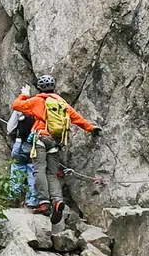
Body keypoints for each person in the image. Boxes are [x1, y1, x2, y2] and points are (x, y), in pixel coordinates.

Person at [11, 75, 103, 223]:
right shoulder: (62, 103)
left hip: (40, 138)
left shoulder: (37, 100)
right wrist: (91, 128)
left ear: (40, 88)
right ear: (54, 88)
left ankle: (44, 202)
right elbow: (77, 118)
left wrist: (24, 95)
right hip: (55, 142)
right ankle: (57, 200)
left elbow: (16, 105)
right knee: (52, 174)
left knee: (39, 170)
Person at [6, 91, 38, 208]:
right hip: (35, 145)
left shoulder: (20, 110)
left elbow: (10, 128)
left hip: (19, 144)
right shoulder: (38, 110)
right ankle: (32, 200)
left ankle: (14, 198)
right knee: (32, 172)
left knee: (17, 170)